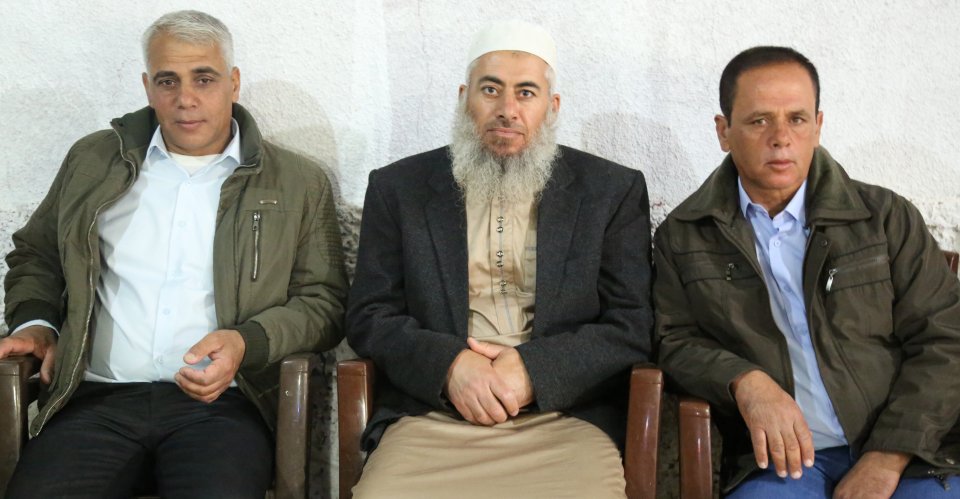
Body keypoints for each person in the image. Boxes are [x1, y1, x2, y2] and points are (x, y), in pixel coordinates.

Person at [0, 10, 347, 498]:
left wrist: (245, 343)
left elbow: (323, 302)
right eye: (168, 81)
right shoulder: (94, 161)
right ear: (148, 87)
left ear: (233, 82)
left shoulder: (295, 181)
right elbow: (37, 254)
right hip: (96, 401)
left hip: (224, 406)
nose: (185, 98)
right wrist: (38, 324)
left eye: (204, 78)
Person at [345, 19, 652, 498]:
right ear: (464, 98)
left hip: (564, 415)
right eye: (490, 90)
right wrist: (450, 366)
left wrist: (534, 371)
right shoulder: (399, 188)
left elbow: (631, 325)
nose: (507, 109)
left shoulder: (610, 191)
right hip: (434, 413)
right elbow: (369, 315)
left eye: (526, 93)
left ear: (552, 107)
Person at [654, 45, 960, 498]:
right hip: (782, 462)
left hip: (913, 453)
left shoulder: (883, 217)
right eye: (759, 121)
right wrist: (746, 381)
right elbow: (674, 340)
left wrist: (886, 457)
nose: (781, 138)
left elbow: (946, 340)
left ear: (817, 126)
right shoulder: (685, 234)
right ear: (724, 131)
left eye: (796, 119)